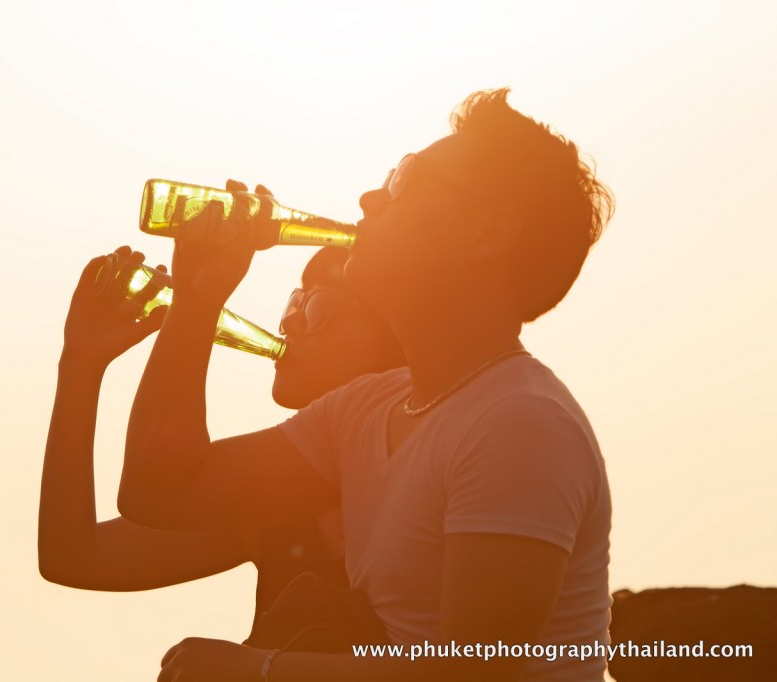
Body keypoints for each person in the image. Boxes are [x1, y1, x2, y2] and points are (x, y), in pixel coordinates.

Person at [120, 88, 615, 681]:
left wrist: (260, 672)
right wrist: (196, 301)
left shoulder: (520, 424)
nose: (370, 197)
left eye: (406, 178)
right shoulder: (366, 410)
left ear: (487, 235)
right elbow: (159, 493)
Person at [38, 243, 403, 625]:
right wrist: (80, 364)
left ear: (397, 334)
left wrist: (260, 668)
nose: (291, 323)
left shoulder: (438, 460)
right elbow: (72, 557)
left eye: (318, 309)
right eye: (295, 302)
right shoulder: (277, 498)